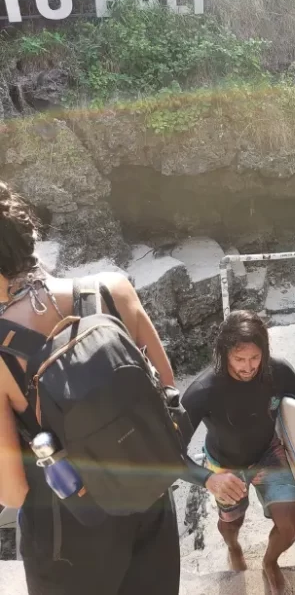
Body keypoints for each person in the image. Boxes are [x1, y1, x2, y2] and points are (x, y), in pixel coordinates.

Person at [0, 182, 180, 595]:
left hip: (67, 537)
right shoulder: (112, 290)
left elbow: (13, 489)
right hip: (147, 503)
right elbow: (167, 393)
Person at [181, 310, 295, 595]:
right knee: (232, 523)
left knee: (290, 526)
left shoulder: (280, 372)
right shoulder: (203, 390)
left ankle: (269, 561)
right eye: (239, 359)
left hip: (268, 452)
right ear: (224, 353)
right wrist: (208, 479)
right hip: (225, 465)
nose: (248, 367)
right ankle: (233, 546)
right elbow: (169, 452)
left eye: (255, 357)